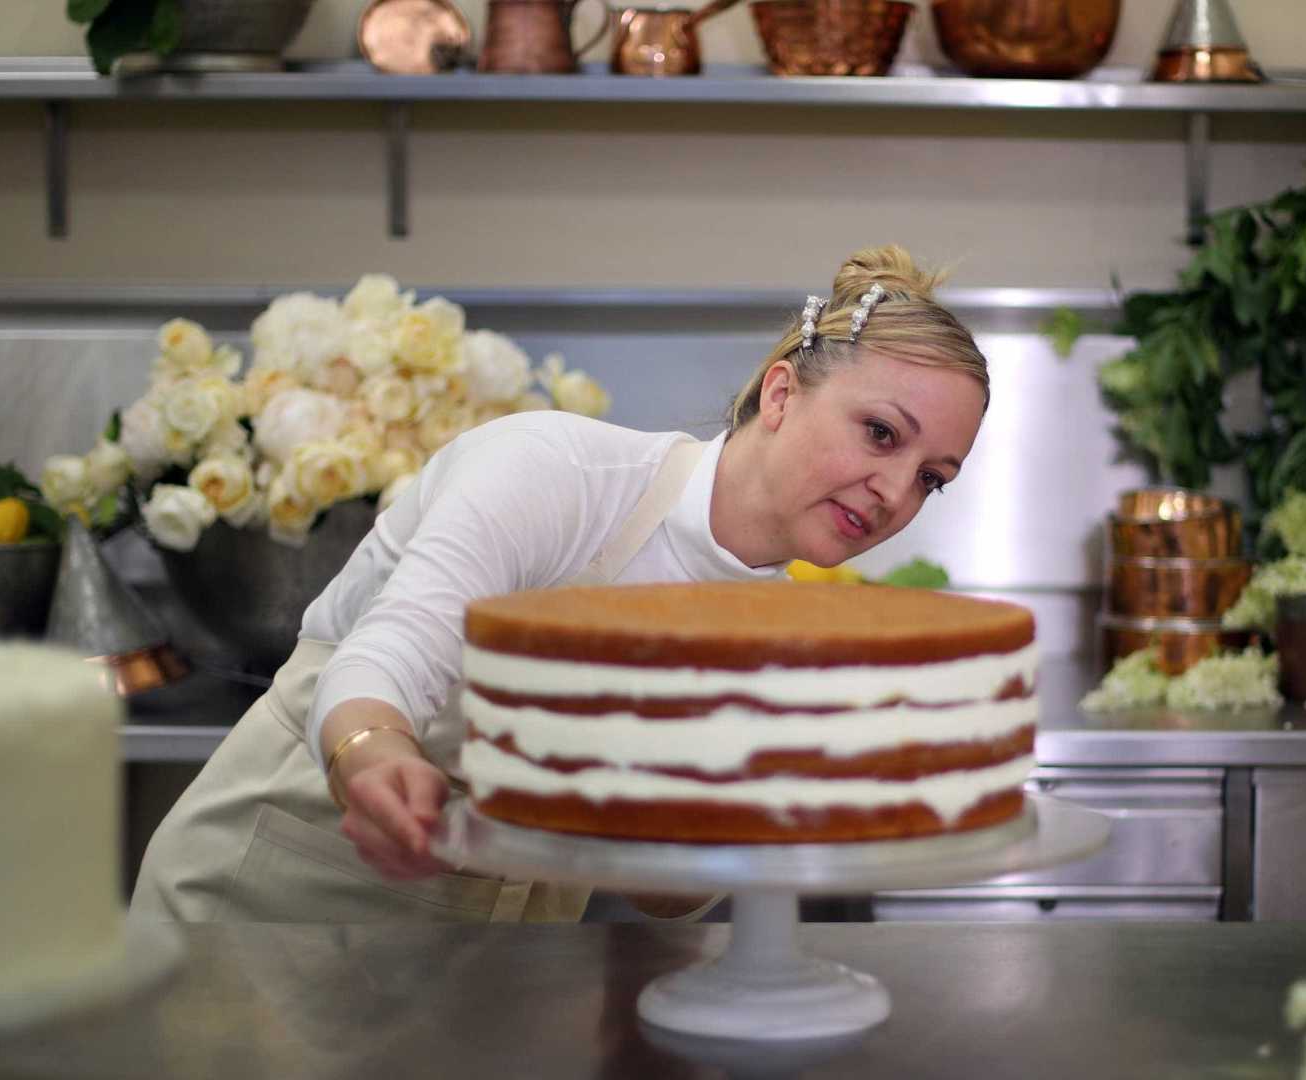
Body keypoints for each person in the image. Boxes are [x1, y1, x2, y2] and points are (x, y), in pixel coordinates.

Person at [128, 245, 993, 924]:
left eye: (932, 477)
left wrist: (738, 829)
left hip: (486, 973)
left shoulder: (784, 638)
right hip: (270, 909)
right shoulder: (557, 472)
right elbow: (384, 658)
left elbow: (660, 898)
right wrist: (376, 760)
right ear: (778, 395)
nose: (895, 492)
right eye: (881, 433)